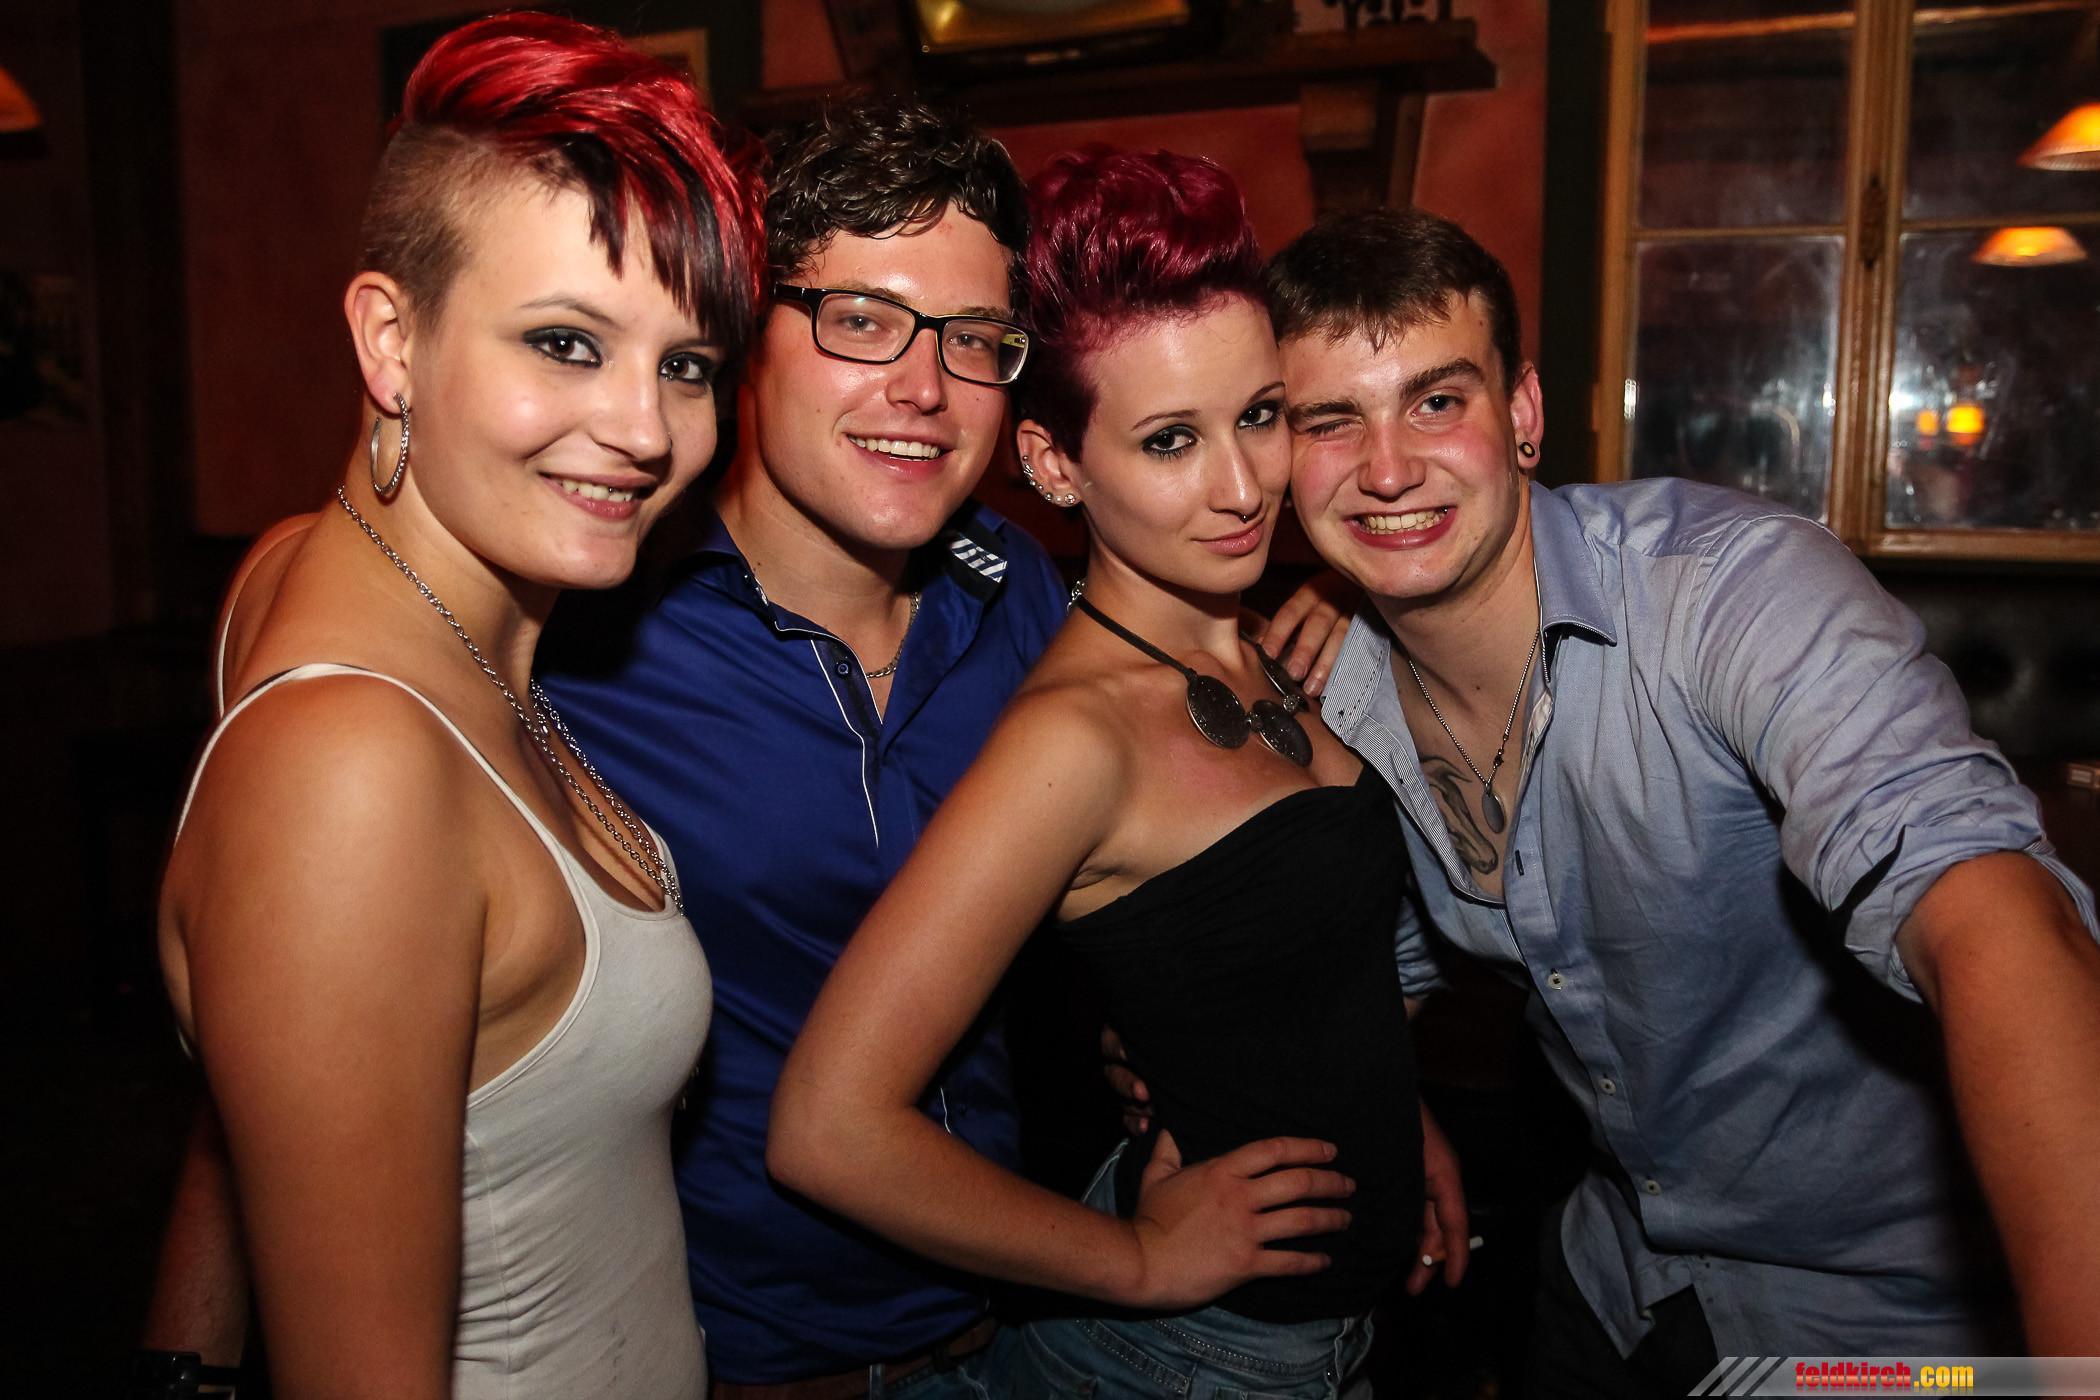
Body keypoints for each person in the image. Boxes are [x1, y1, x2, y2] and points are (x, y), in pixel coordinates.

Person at [536, 114, 1360, 1397]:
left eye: (973, 339)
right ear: (745, 329)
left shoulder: (1019, 594)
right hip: (730, 1362)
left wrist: (1357, 598)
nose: (924, 387)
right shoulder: (591, 630)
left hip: (1006, 1332)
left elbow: (1141, 828)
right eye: (862, 319)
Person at [1265, 206, 2100, 1387]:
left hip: (1877, 1320)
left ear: (1523, 414)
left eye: (1437, 399)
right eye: (1330, 421)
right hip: (1613, 1276)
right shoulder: (1336, 691)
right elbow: (1365, 976)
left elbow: (1990, 913)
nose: (1388, 466)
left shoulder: (1729, 593)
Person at [146, 14, 765, 1398]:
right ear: (391, 338)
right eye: (565, 341)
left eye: (686, 363)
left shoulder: (301, 572)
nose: (646, 429)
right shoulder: (349, 766)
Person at [769, 146, 1418, 1400]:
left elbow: (1293, 974)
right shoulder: (1072, 737)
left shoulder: (1260, 641)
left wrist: (1397, 1124)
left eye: (1261, 415)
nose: (1244, 486)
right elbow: (828, 1126)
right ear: (1057, 464)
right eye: (1171, 440)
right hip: (1195, 1359)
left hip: (1329, 1331)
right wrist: (1135, 1258)